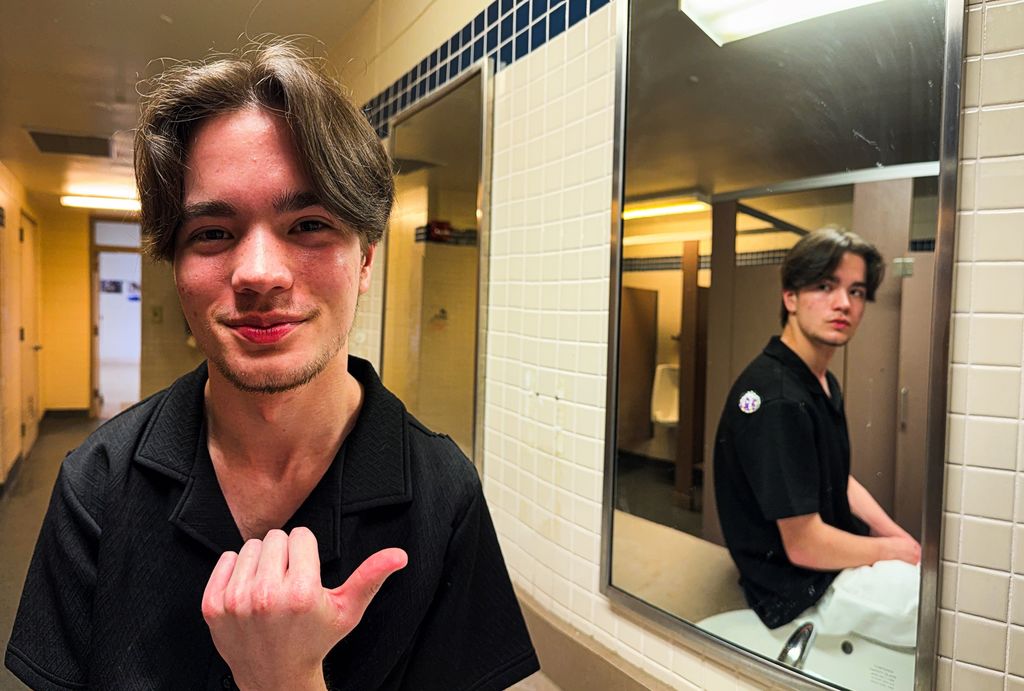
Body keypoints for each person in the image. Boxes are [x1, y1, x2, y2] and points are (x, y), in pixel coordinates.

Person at [5, 40, 539, 691]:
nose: (259, 273)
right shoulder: (98, 482)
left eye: (309, 223)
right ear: (175, 265)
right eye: (213, 233)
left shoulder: (442, 495)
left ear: (366, 257)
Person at [713, 228, 921, 639]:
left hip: (830, 557)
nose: (843, 303)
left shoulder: (818, 380)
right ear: (790, 297)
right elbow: (804, 545)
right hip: (797, 586)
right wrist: (890, 551)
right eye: (825, 287)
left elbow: (832, 477)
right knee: (938, 615)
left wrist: (898, 538)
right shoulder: (778, 399)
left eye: (857, 291)